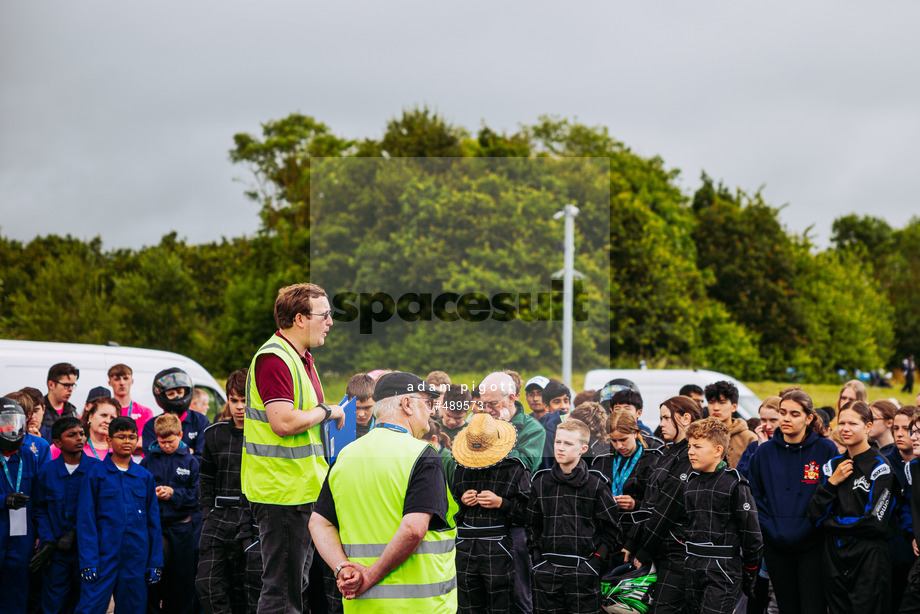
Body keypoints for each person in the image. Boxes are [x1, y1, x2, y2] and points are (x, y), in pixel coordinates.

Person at [309, 371, 457, 612]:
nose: (431, 411)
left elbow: (318, 523)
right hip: (417, 606)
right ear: (407, 404)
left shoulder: (346, 455)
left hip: (361, 605)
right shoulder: (422, 455)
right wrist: (368, 577)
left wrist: (342, 568)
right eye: (426, 403)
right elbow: (413, 529)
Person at [242, 283, 345, 614]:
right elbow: (283, 422)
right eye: (324, 314)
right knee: (282, 594)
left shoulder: (300, 358)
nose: (330, 321)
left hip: (297, 490)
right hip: (281, 492)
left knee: (293, 589)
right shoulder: (275, 358)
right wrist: (329, 410)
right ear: (300, 318)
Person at [748, 388, 837, 614]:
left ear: (809, 418)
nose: (786, 418)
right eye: (783, 412)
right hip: (776, 544)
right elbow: (754, 496)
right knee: (787, 608)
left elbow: (831, 495)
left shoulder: (825, 449)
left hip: (813, 544)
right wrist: (771, 530)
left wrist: (811, 529)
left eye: (794, 414)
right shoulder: (764, 452)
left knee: (813, 607)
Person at [808, 400, 896, 614]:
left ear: (867, 427)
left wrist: (833, 524)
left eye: (853, 424)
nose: (846, 428)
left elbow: (875, 523)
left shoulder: (881, 468)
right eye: (842, 423)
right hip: (834, 556)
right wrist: (831, 484)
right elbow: (814, 516)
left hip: (869, 558)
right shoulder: (831, 467)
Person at [526, 418, 622, 614]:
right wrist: (539, 562)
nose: (561, 448)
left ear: (583, 449)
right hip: (547, 574)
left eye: (568, 443)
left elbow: (612, 531)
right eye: (558, 442)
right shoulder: (541, 484)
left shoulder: (595, 486)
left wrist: (593, 564)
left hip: (583, 574)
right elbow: (532, 526)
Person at [75, 416, 163, 614]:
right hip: (103, 556)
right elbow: (85, 520)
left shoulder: (144, 477)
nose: (127, 441)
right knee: (90, 607)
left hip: (136, 558)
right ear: (109, 440)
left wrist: (155, 561)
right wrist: (88, 560)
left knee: (133, 608)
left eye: (132, 437)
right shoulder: (95, 473)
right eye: (121, 437)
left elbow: (153, 523)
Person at [624, 396, 701, 614]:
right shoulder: (670, 451)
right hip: (660, 547)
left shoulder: (691, 455)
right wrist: (631, 542)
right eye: (661, 418)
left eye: (666, 418)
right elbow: (650, 503)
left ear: (685, 418)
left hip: (677, 551)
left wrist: (643, 549)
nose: (661, 424)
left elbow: (667, 508)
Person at [476, 371, 545, 614]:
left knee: (518, 593)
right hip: (483, 520)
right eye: (483, 404)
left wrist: (503, 432)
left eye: (492, 403)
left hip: (516, 521)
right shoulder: (480, 424)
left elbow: (524, 467)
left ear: (512, 398)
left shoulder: (533, 429)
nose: (487, 409)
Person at [197, 368, 262, 614]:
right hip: (218, 516)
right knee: (207, 585)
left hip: (253, 519)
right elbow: (205, 477)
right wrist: (207, 514)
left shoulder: (265, 436)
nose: (239, 407)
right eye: (234, 400)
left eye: (245, 400)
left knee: (247, 589)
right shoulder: (214, 434)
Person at [683, 417, 763, 614]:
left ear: (718, 450)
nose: (691, 452)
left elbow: (752, 535)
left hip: (723, 569)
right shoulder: (690, 483)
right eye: (690, 446)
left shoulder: (735, 484)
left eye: (698, 446)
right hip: (693, 566)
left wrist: (750, 572)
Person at [451, 412, 529, 614]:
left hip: (500, 547)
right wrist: (461, 503)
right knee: (467, 604)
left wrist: (502, 503)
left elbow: (529, 513)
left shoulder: (514, 470)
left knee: (501, 604)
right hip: (465, 548)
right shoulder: (461, 469)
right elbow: (450, 512)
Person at [31, 416, 97, 614]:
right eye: (72, 435)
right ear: (58, 443)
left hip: (87, 553)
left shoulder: (96, 470)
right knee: (54, 603)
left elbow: (99, 510)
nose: (80, 438)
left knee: (84, 603)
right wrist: (48, 540)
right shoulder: (47, 472)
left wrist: (75, 533)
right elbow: (39, 509)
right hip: (56, 553)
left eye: (82, 434)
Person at [142, 413, 200, 614]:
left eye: (170, 442)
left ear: (181, 435)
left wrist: (174, 494)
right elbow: (140, 489)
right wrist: (154, 492)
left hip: (182, 529)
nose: (166, 446)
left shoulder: (191, 462)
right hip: (156, 529)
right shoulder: (149, 460)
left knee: (181, 581)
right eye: (162, 442)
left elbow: (198, 495)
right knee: (152, 580)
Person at [590, 409, 664, 550]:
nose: (619, 446)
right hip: (606, 532)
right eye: (614, 440)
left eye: (623, 439)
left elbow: (659, 504)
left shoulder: (653, 459)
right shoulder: (601, 458)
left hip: (638, 533)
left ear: (635, 433)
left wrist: (636, 504)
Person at [0, 396, 39, 613]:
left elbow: (40, 498)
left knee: (17, 592)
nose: (11, 428)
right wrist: (3, 500)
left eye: (15, 423)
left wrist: (41, 533)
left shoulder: (28, 456)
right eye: (5, 422)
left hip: (22, 535)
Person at [143, 368, 211, 459]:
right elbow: (152, 459)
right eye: (171, 394)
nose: (177, 396)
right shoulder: (151, 426)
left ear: (186, 392)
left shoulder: (200, 421)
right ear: (162, 396)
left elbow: (202, 457)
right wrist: (188, 451)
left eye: (180, 392)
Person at [890, 406, 917, 611]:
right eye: (896, 428)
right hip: (897, 546)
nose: (900, 434)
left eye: (907, 429)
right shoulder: (885, 462)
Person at [705, 381, 756, 468]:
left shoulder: (748, 438)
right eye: (711, 402)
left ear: (734, 407)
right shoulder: (700, 434)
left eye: (722, 402)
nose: (716, 408)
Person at [108, 363, 154, 454]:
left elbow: (146, 441)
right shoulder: (106, 412)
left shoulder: (145, 412)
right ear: (110, 383)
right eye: (117, 379)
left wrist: (117, 443)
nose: (122, 383)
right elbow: (102, 441)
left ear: (132, 381)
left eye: (125, 378)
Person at [736, 395, 781, 479]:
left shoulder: (793, 445)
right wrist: (761, 450)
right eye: (763, 420)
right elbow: (742, 477)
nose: (768, 426)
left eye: (773, 420)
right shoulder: (753, 447)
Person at [42, 363, 80, 443]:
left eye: (72, 385)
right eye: (66, 385)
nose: (70, 389)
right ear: (51, 384)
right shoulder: (39, 410)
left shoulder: (73, 412)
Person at [537, 379, 570, 470]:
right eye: (557, 402)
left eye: (566, 401)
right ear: (546, 406)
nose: (563, 406)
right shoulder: (546, 432)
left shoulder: (573, 427)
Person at [73, 397, 118, 462]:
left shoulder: (121, 450)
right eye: (104, 415)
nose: (108, 421)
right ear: (90, 417)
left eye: (112, 418)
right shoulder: (71, 446)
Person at [346, 373, 376, 439]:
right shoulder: (337, 426)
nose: (361, 414)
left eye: (367, 408)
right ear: (346, 399)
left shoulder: (383, 425)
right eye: (356, 408)